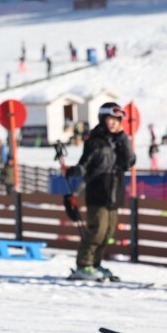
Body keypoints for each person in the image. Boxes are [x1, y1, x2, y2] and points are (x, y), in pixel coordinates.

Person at [63, 102, 136, 280]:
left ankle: (95, 263)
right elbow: (84, 166)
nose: (113, 123)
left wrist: (123, 140)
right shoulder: (94, 140)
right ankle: (84, 264)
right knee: (97, 230)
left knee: (108, 232)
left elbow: (130, 162)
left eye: (117, 120)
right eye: (110, 119)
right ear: (103, 119)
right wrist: (71, 171)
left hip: (115, 191)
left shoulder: (120, 141)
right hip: (98, 191)